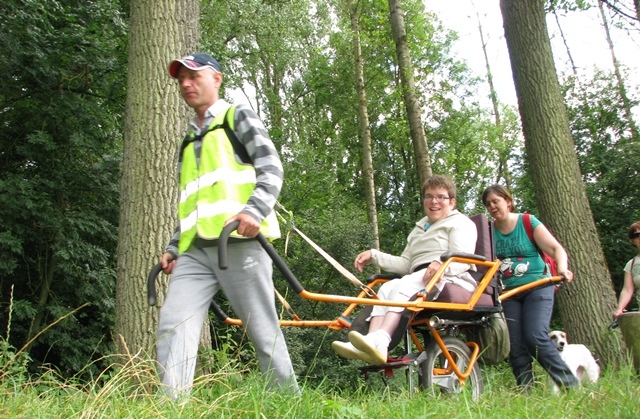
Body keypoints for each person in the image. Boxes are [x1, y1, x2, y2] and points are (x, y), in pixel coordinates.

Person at [156, 52, 299, 398]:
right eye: (181, 80)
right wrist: (174, 247)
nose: (187, 84)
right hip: (195, 252)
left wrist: (253, 211)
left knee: (262, 331)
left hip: (238, 243)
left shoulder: (237, 117)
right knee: (174, 325)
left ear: (216, 78)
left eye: (195, 76)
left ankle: (288, 405)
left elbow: (271, 167)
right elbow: (190, 203)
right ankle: (170, 412)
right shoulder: (189, 141)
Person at [332, 175, 478, 365]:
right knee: (386, 288)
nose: (434, 201)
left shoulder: (460, 223)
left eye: (441, 197)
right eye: (429, 196)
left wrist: (441, 264)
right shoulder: (419, 228)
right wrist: (374, 254)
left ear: (452, 202)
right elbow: (405, 264)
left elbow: (463, 259)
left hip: (450, 277)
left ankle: (382, 339)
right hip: (419, 275)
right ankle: (372, 340)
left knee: (405, 285)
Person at [482, 184, 578, 390]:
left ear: (507, 201)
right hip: (509, 293)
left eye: (496, 201)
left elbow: (555, 248)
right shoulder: (489, 232)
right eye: (488, 204)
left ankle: (570, 385)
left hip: (538, 287)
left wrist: (563, 269)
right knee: (515, 345)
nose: (492, 207)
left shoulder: (527, 221)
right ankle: (526, 391)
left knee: (535, 336)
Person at [613, 221, 640, 318]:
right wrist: (620, 309)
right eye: (637, 235)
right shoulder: (631, 264)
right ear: (632, 241)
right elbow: (627, 290)